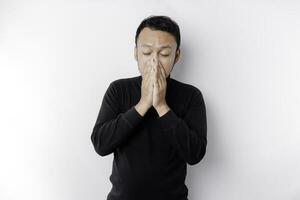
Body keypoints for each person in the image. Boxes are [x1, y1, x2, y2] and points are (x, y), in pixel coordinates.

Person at [91, 15, 207, 200]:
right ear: (135, 53)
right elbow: (101, 144)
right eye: (146, 52)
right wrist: (143, 103)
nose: (154, 61)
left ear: (177, 56)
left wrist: (161, 105)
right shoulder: (119, 90)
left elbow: (195, 154)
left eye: (164, 54)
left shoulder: (191, 96)